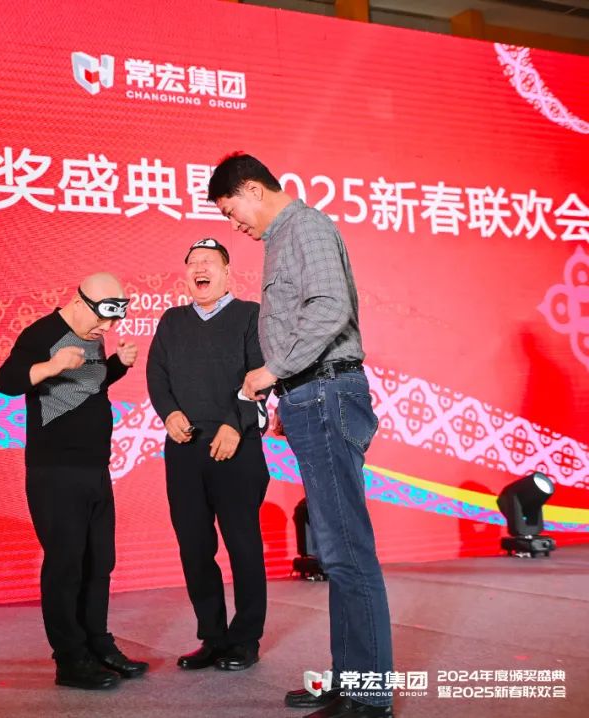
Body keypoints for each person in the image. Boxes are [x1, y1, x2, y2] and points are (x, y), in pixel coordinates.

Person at [208, 154, 393, 718]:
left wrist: (276, 371)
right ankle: (351, 679)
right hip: (312, 395)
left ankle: (368, 696)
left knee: (346, 549)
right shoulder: (284, 237)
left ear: (251, 188)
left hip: (326, 393)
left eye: (230, 210)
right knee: (335, 550)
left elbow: (329, 307)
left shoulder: (305, 226)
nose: (233, 224)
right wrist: (288, 391)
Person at [0, 272, 149, 690]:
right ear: (80, 303)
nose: (106, 328)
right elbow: (6, 381)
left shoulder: (93, 335)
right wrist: (50, 366)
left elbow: (87, 386)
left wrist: (117, 365)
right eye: (102, 319)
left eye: (113, 321)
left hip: (96, 469)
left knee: (99, 562)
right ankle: (70, 659)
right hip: (56, 472)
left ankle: (97, 643)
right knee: (66, 566)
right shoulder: (42, 334)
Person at [146, 238, 270, 674]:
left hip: (237, 447)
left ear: (227, 273)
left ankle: (246, 639)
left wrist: (235, 424)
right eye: (193, 263)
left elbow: (261, 375)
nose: (200, 269)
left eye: (208, 262)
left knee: (243, 544)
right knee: (194, 546)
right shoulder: (172, 320)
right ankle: (213, 637)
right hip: (184, 448)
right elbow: (156, 373)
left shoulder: (250, 315)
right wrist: (169, 413)